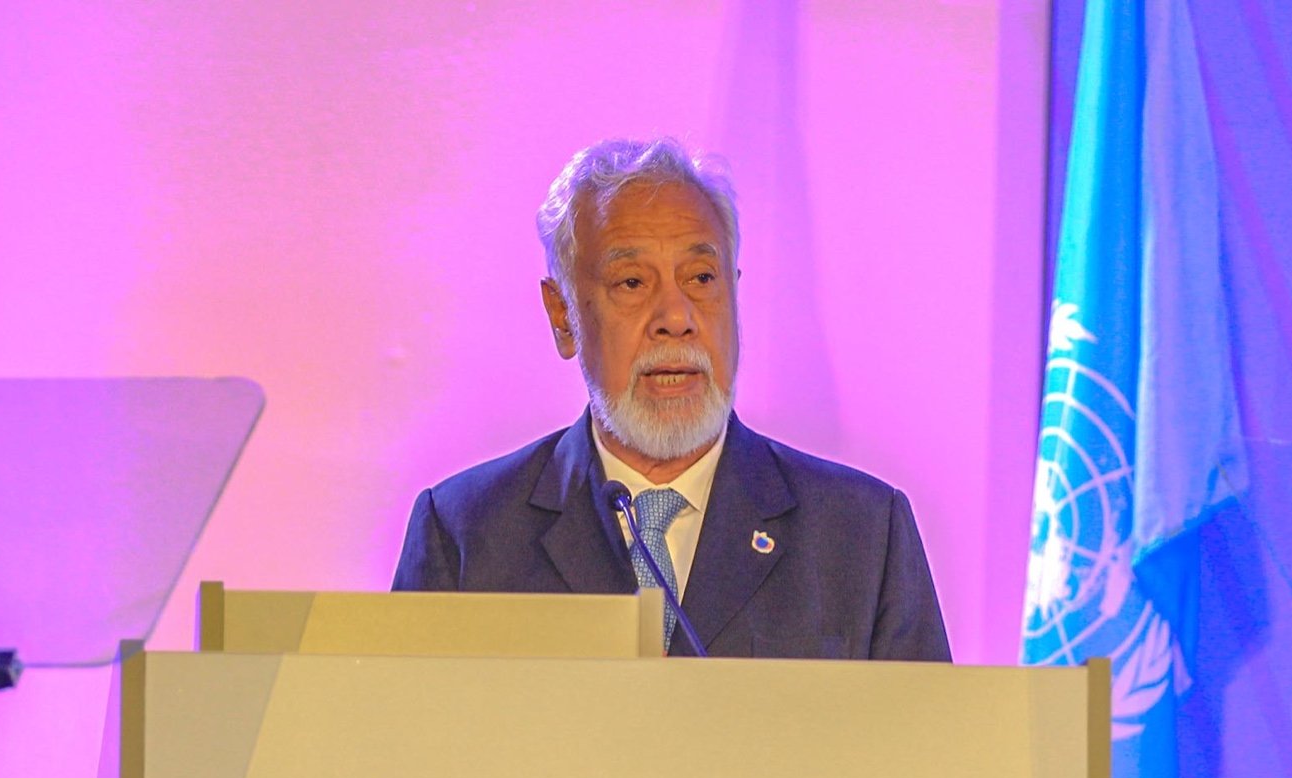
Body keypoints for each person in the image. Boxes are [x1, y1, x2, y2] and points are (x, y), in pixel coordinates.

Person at [393, 137, 950, 661]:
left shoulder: (862, 534)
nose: (676, 319)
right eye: (632, 283)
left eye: (701, 278)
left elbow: (922, 733)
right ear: (562, 315)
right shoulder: (465, 532)